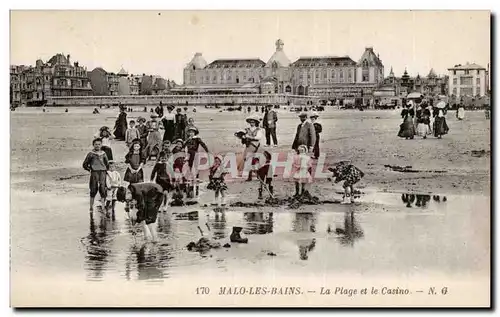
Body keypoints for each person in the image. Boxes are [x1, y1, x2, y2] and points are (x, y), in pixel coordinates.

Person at [82, 138, 109, 213]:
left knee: (103, 189)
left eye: (99, 144)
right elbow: (84, 164)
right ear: (93, 145)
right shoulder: (91, 154)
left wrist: (107, 171)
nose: (97, 146)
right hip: (94, 173)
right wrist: (90, 169)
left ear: (101, 145)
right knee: (93, 189)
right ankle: (91, 207)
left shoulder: (103, 153)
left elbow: (107, 164)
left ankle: (103, 207)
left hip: (103, 172)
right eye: (96, 144)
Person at [184, 126, 209, 198]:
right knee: (189, 165)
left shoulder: (197, 139)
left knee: (196, 166)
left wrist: (207, 150)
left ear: (195, 133)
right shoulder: (188, 139)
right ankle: (190, 176)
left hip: (195, 153)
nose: (191, 133)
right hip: (189, 154)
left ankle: (197, 177)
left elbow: (203, 144)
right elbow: (184, 146)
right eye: (190, 132)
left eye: (192, 132)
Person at [237, 114, 264, 181]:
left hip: (255, 146)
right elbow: (243, 137)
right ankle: (251, 176)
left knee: (254, 161)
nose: (252, 123)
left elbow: (258, 137)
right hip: (249, 146)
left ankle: (257, 175)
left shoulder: (259, 130)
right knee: (248, 160)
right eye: (251, 122)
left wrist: (249, 137)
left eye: (253, 122)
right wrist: (242, 137)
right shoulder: (247, 129)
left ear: (256, 123)